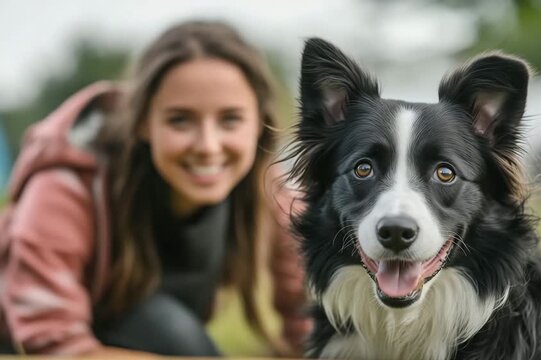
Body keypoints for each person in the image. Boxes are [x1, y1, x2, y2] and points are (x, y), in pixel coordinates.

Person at [0, 20, 309, 357]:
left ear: (258, 123)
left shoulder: (267, 187)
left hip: (132, 320)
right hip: (23, 328)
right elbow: (54, 344)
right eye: (180, 120)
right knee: (178, 340)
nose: (208, 145)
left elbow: (312, 313)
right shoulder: (67, 183)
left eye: (230, 119)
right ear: (144, 122)